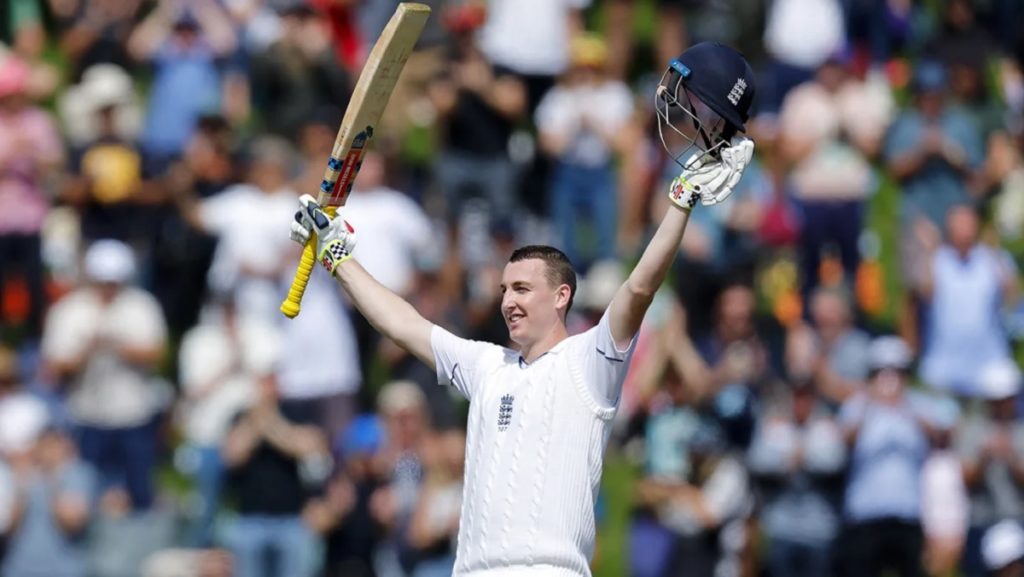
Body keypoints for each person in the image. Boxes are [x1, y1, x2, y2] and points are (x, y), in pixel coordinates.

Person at [288, 41, 756, 576]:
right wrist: (337, 256)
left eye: (523, 289)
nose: (508, 301)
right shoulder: (486, 365)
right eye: (505, 289)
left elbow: (640, 288)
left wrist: (680, 202)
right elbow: (403, 323)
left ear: (562, 296)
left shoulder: (591, 361)